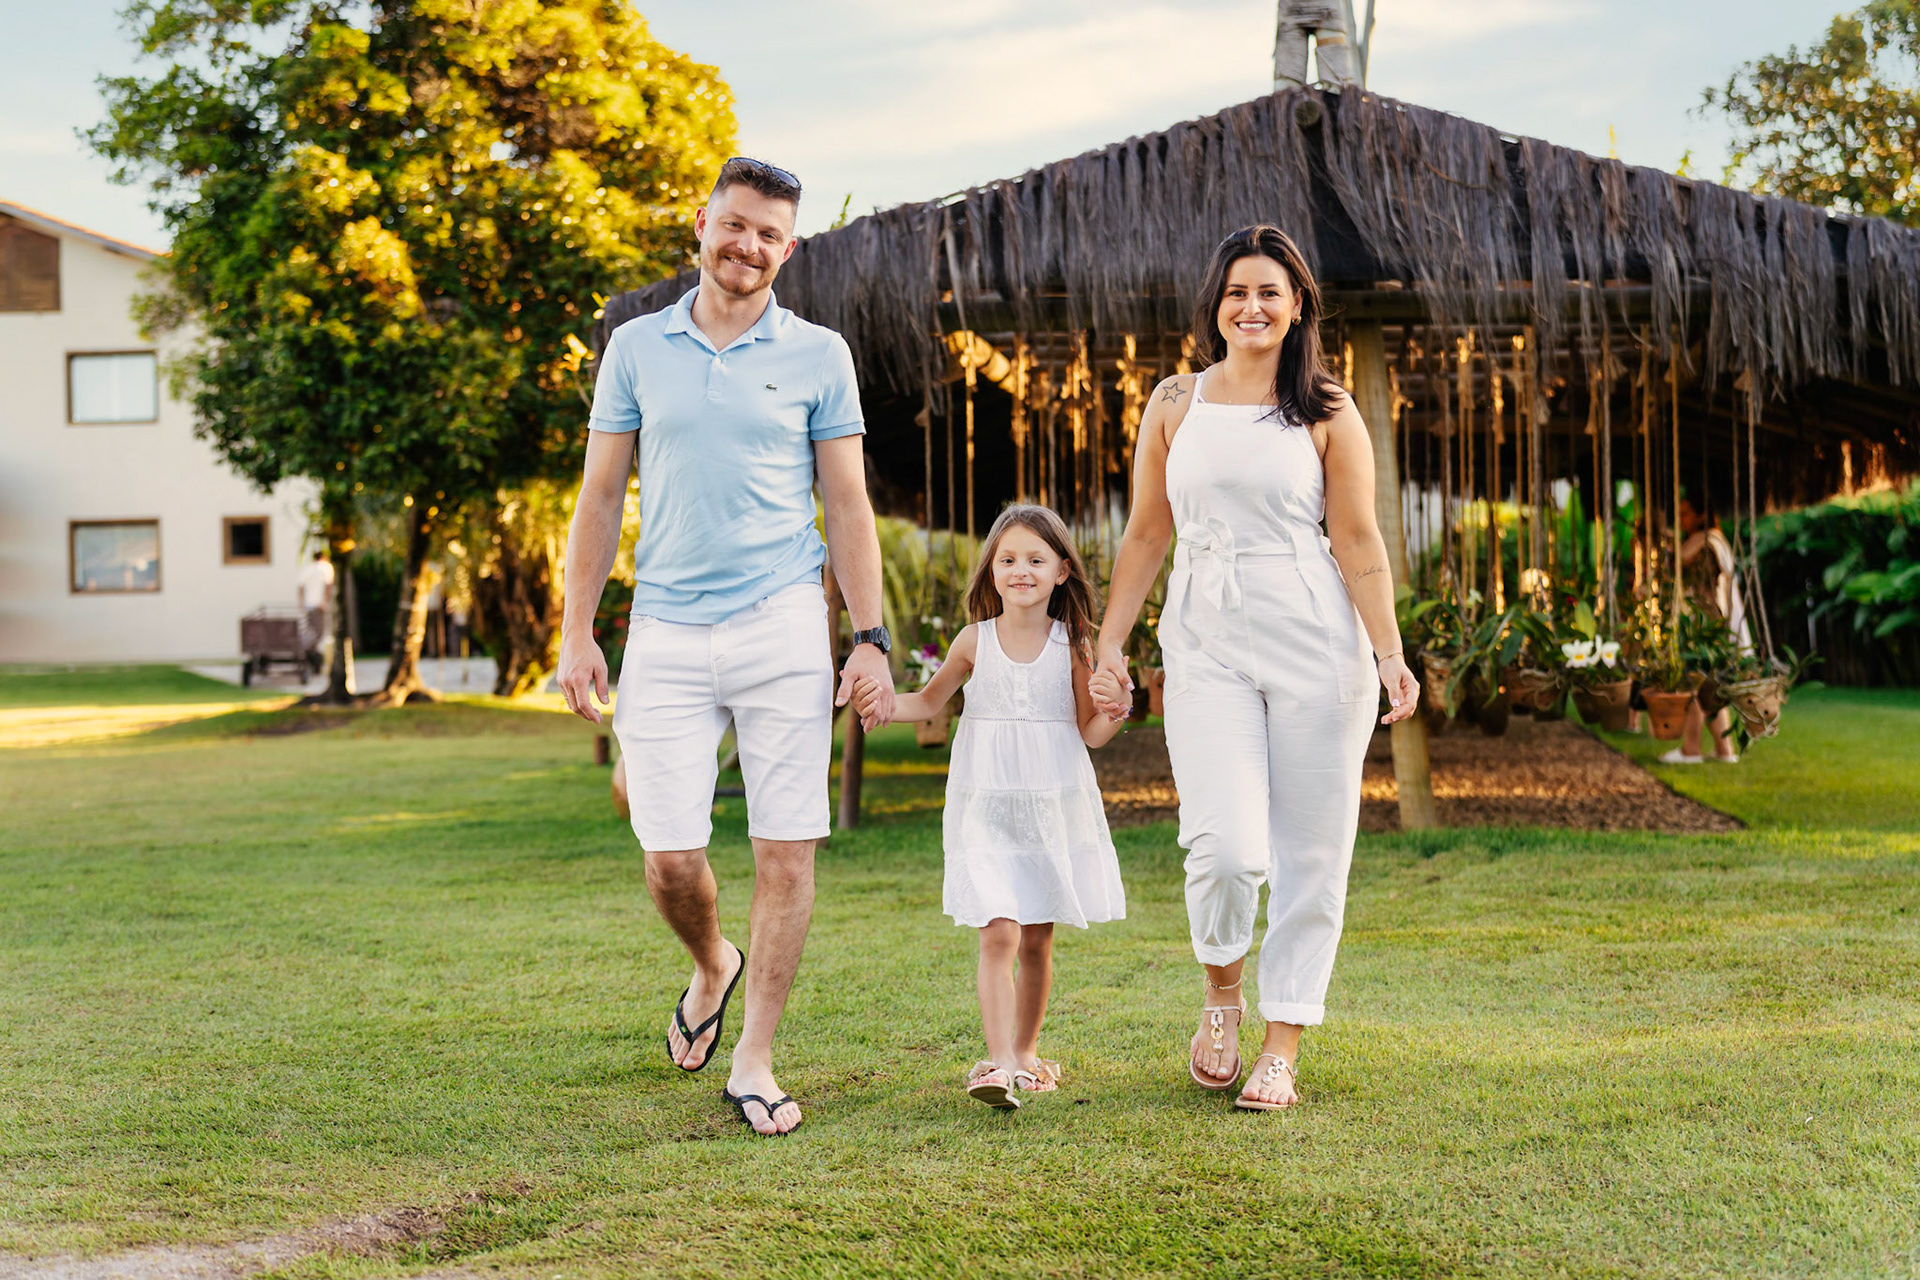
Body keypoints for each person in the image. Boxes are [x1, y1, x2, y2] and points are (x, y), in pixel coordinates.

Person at [556, 157, 895, 1138]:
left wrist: (868, 637)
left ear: (788, 249)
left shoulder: (821, 354)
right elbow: (601, 496)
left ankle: (754, 1056)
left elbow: (846, 503)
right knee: (670, 858)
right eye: (735, 225)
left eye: (769, 235)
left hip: (785, 620)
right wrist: (577, 630)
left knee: (786, 850)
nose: (748, 246)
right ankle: (712, 960)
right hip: (663, 624)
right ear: (701, 223)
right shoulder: (634, 348)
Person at [1089, 225, 1420, 1112]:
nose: (1253, 306)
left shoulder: (1328, 410)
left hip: (1315, 633)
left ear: (1299, 304)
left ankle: (1283, 1043)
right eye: (1238, 291)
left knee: (1314, 851)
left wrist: (1388, 651)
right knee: (1226, 847)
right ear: (1217, 305)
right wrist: (1111, 641)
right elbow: (1146, 532)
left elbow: (1356, 538)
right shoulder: (1171, 402)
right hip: (1204, 635)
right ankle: (1222, 996)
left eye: (1271, 291)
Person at [853, 505, 1126, 1110]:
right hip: (986, 805)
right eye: (1008, 560)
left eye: (1035, 560)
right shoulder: (974, 640)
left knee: (1036, 938)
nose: (1020, 571)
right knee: (998, 932)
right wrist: (880, 703)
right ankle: (998, 1063)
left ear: (1061, 572)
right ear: (991, 570)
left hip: (1050, 806)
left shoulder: (1073, 645)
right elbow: (927, 702)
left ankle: (1027, 1054)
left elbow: (1090, 732)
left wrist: (1117, 707)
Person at [1664, 494, 1749, 764]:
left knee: (1697, 683)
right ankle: (1725, 750)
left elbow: (1689, 570)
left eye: (1686, 513)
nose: (1682, 520)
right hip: (1709, 623)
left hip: (1710, 623)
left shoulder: (1709, 542)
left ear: (1702, 515)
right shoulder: (1705, 541)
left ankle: (1691, 749)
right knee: (1710, 688)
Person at [296, 549, 335, 666]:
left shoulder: (308, 569)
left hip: (308, 605)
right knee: (319, 633)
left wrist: (301, 602)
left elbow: (300, 586)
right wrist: (325, 602)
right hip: (319, 606)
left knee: (310, 632)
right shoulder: (326, 567)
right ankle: (311, 654)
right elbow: (328, 585)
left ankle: (311, 654)